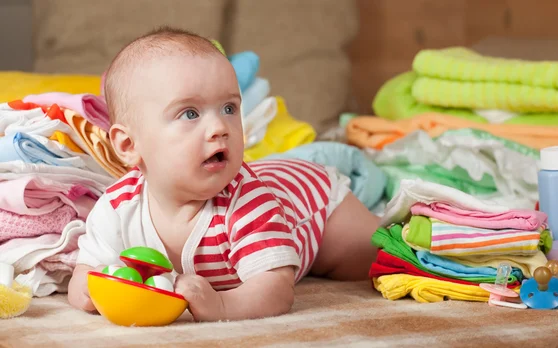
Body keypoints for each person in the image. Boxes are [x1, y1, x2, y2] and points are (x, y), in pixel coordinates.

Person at [67, 26, 381, 322]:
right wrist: (89, 290)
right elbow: (84, 272)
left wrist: (222, 305)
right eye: (189, 113)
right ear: (128, 144)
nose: (220, 128)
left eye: (229, 108)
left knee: (375, 258)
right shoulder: (118, 207)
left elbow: (276, 290)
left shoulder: (248, 203)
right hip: (278, 178)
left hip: (316, 204)